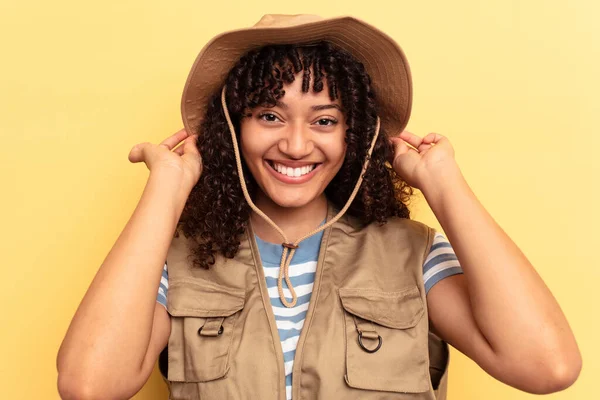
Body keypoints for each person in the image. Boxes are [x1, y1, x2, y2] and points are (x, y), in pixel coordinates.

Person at [56, 14, 581, 400]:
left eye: (325, 120)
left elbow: (546, 366)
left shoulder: (413, 255)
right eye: (269, 115)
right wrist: (165, 193)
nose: (297, 144)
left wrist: (444, 185)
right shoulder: (176, 262)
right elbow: (88, 385)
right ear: (232, 129)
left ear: (356, 134)